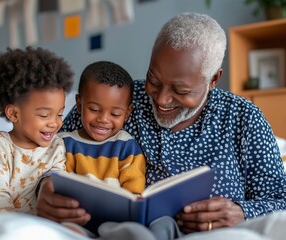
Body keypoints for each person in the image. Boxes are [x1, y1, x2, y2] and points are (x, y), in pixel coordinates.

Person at [35, 12, 286, 239]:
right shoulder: (117, 100)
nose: (162, 99)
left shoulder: (243, 118)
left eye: (180, 90)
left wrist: (241, 212)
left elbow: (280, 199)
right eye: (153, 80)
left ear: (213, 80)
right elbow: (47, 151)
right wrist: (44, 188)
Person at [0, 47, 74, 231]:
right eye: (44, 115)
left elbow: (55, 181)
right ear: (14, 113)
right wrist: (15, 227)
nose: (54, 123)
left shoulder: (57, 146)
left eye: (59, 114)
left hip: (32, 221)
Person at [60, 61, 146, 195]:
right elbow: (59, 184)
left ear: (127, 114)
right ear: (78, 104)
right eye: (94, 109)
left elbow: (134, 189)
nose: (103, 119)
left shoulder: (126, 146)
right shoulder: (64, 143)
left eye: (115, 114)